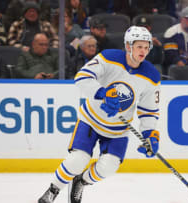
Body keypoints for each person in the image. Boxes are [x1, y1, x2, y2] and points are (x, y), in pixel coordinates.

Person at [38, 25, 161, 203]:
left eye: (146, 46)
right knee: (78, 159)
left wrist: (150, 134)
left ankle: (81, 182)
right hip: (90, 120)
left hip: (118, 130)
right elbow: (81, 77)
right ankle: (53, 190)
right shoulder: (108, 57)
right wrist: (102, 93)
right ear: (128, 46)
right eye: (139, 46)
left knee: (109, 167)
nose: (143, 51)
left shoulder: (151, 76)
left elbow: (149, 110)